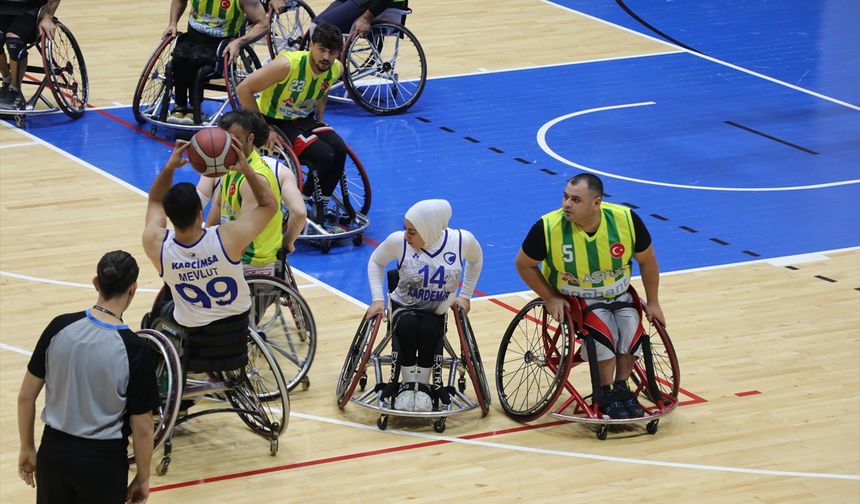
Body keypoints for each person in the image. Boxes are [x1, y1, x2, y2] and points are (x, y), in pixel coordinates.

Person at [515, 173, 665, 420]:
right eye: (565, 197)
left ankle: (621, 388)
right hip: (576, 300)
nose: (566, 204)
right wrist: (550, 297)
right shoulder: (547, 227)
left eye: (575, 199)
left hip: (619, 294)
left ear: (596, 203)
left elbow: (648, 261)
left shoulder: (626, 220)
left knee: (631, 329)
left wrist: (654, 301)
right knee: (604, 333)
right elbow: (523, 264)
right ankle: (603, 393)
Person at [17, 250, 157, 504]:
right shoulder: (135, 350)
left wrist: (27, 447)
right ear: (133, 289)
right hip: (102, 464)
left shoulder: (58, 327)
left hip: (54, 455)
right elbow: (143, 427)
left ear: (96, 283)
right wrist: (143, 477)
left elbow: (26, 397)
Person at [141, 133, 277, 331]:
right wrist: (246, 169)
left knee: (155, 314)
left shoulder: (156, 245)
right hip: (236, 330)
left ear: (168, 216)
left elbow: (154, 200)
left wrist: (169, 167)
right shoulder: (228, 239)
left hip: (195, 336)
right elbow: (269, 205)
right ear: (200, 213)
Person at [366, 199, 483, 412]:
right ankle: (408, 385)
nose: (405, 235)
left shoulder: (460, 241)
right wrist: (377, 299)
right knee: (409, 326)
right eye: (405, 230)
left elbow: (476, 259)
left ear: (428, 230)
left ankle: (425, 387)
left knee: (429, 329)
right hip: (403, 309)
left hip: (436, 314)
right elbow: (376, 261)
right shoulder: (398, 243)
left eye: (412, 232)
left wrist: (465, 295)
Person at [235, 22, 345, 231]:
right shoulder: (287, 65)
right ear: (311, 46)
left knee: (339, 148)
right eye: (321, 49)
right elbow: (243, 89)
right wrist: (263, 129)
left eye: (332, 52)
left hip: (302, 118)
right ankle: (302, 202)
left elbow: (324, 89)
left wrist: (320, 117)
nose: (326, 57)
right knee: (323, 155)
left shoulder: (335, 68)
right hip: (273, 119)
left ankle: (318, 204)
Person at [199, 109, 307, 268]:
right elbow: (218, 205)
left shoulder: (255, 178)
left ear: (250, 139)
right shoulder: (231, 163)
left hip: (249, 260)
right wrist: (205, 243)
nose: (227, 144)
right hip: (233, 246)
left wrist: (215, 261)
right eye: (224, 139)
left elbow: (245, 235)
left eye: (234, 139)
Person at [162, 0, 268, 124]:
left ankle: (193, 109)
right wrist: (172, 23)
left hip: (220, 45)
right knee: (178, 58)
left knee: (196, 62)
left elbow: (263, 24)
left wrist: (239, 42)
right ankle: (179, 106)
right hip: (192, 38)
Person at [0, 0, 60, 110]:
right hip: (4, 7)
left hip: (31, 10)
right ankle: (7, 80)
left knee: (14, 41)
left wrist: (48, 16)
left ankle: (15, 89)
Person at [314, 0, 407, 36]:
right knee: (315, 25)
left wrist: (366, 19)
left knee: (320, 28)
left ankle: (335, 70)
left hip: (379, 6)